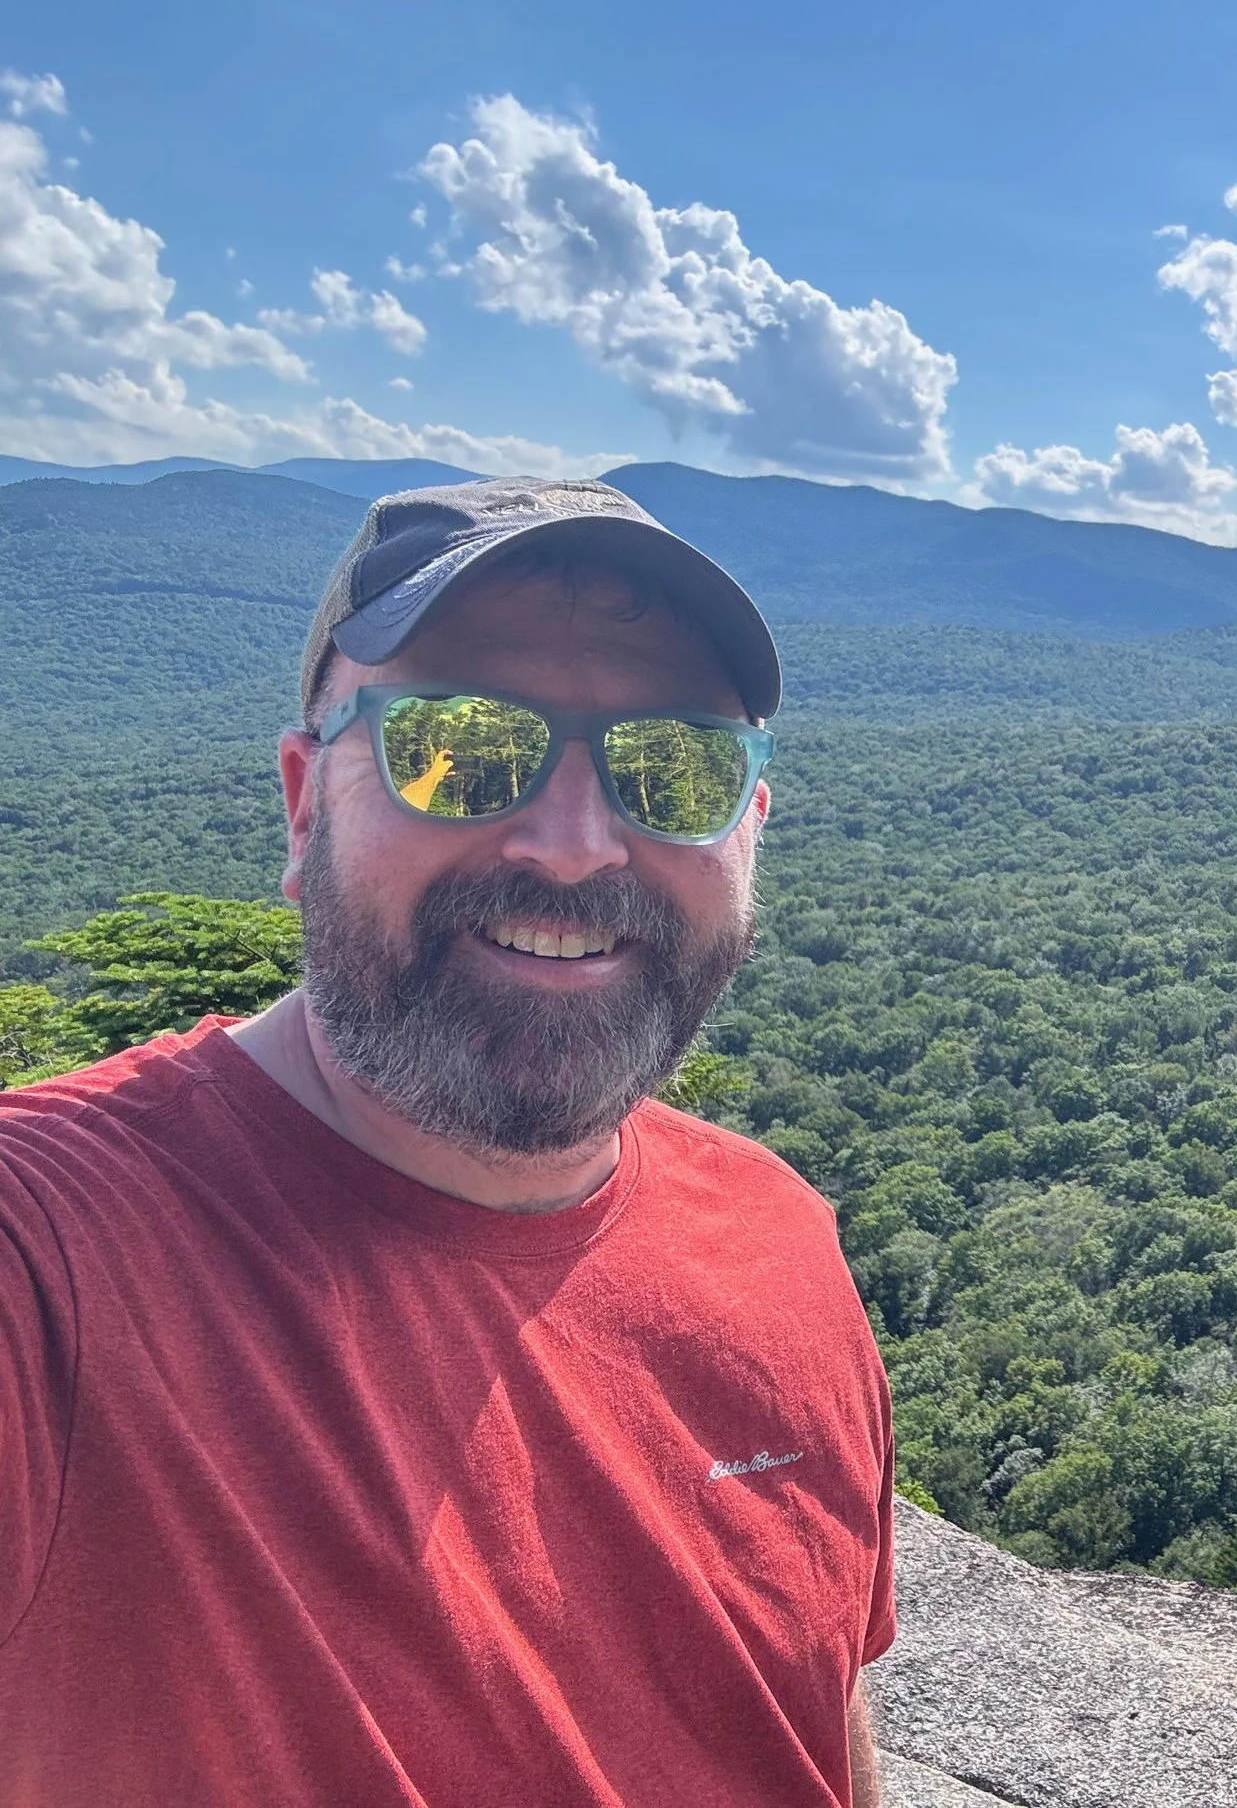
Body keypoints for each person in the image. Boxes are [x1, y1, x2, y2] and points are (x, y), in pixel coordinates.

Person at [0, 479, 896, 1805]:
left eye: (674, 768)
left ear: (750, 828)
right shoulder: (58, 1257)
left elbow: (814, 1721)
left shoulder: (782, 1247)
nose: (576, 847)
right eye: (461, 749)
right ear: (304, 805)